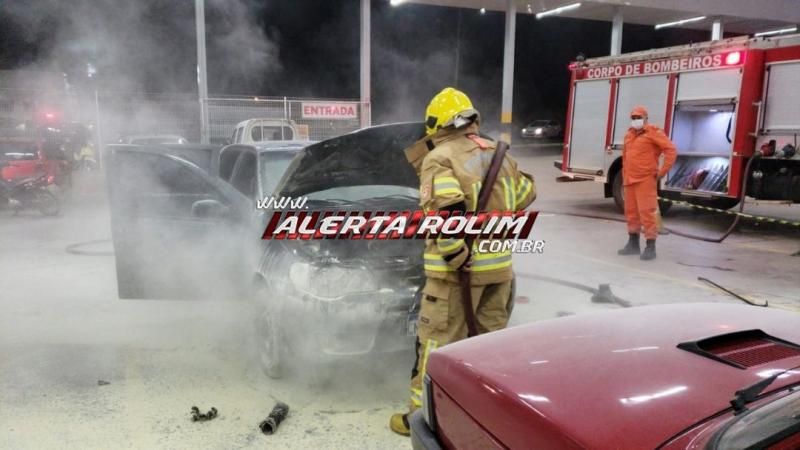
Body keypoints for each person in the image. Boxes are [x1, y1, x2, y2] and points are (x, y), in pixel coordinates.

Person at [390, 87, 537, 436]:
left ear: (438, 123)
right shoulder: (500, 154)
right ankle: (486, 417)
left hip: (456, 277)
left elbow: (446, 212)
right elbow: (525, 195)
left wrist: (457, 256)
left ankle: (421, 418)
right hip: (499, 273)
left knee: (436, 346)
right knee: (490, 349)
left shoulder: (440, 157)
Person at [617, 106, 676, 260]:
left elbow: (671, 150)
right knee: (631, 213)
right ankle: (633, 243)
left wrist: (662, 172)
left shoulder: (653, 133)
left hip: (645, 180)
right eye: (633, 117)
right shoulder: (629, 135)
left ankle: (651, 247)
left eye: (639, 117)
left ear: (645, 118)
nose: (636, 120)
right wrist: (624, 175)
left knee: (647, 213)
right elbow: (625, 157)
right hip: (630, 179)